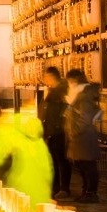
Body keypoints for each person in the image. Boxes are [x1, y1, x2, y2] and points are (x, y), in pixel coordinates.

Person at [0, 112, 54, 207]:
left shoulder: (4, 132)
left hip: (17, 199)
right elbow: (47, 171)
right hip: (41, 202)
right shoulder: (37, 138)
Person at [63, 68, 103, 203]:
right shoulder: (80, 96)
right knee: (82, 165)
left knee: (87, 165)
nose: (68, 84)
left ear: (74, 81)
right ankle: (86, 191)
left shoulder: (83, 98)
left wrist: (74, 131)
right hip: (80, 137)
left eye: (69, 81)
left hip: (83, 137)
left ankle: (91, 192)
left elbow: (84, 118)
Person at [38, 67, 73, 200]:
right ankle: (55, 187)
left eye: (47, 77)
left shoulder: (62, 91)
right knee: (52, 160)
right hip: (50, 130)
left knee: (62, 160)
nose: (45, 80)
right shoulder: (52, 90)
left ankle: (64, 188)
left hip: (59, 131)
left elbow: (66, 110)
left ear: (53, 76)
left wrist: (59, 124)